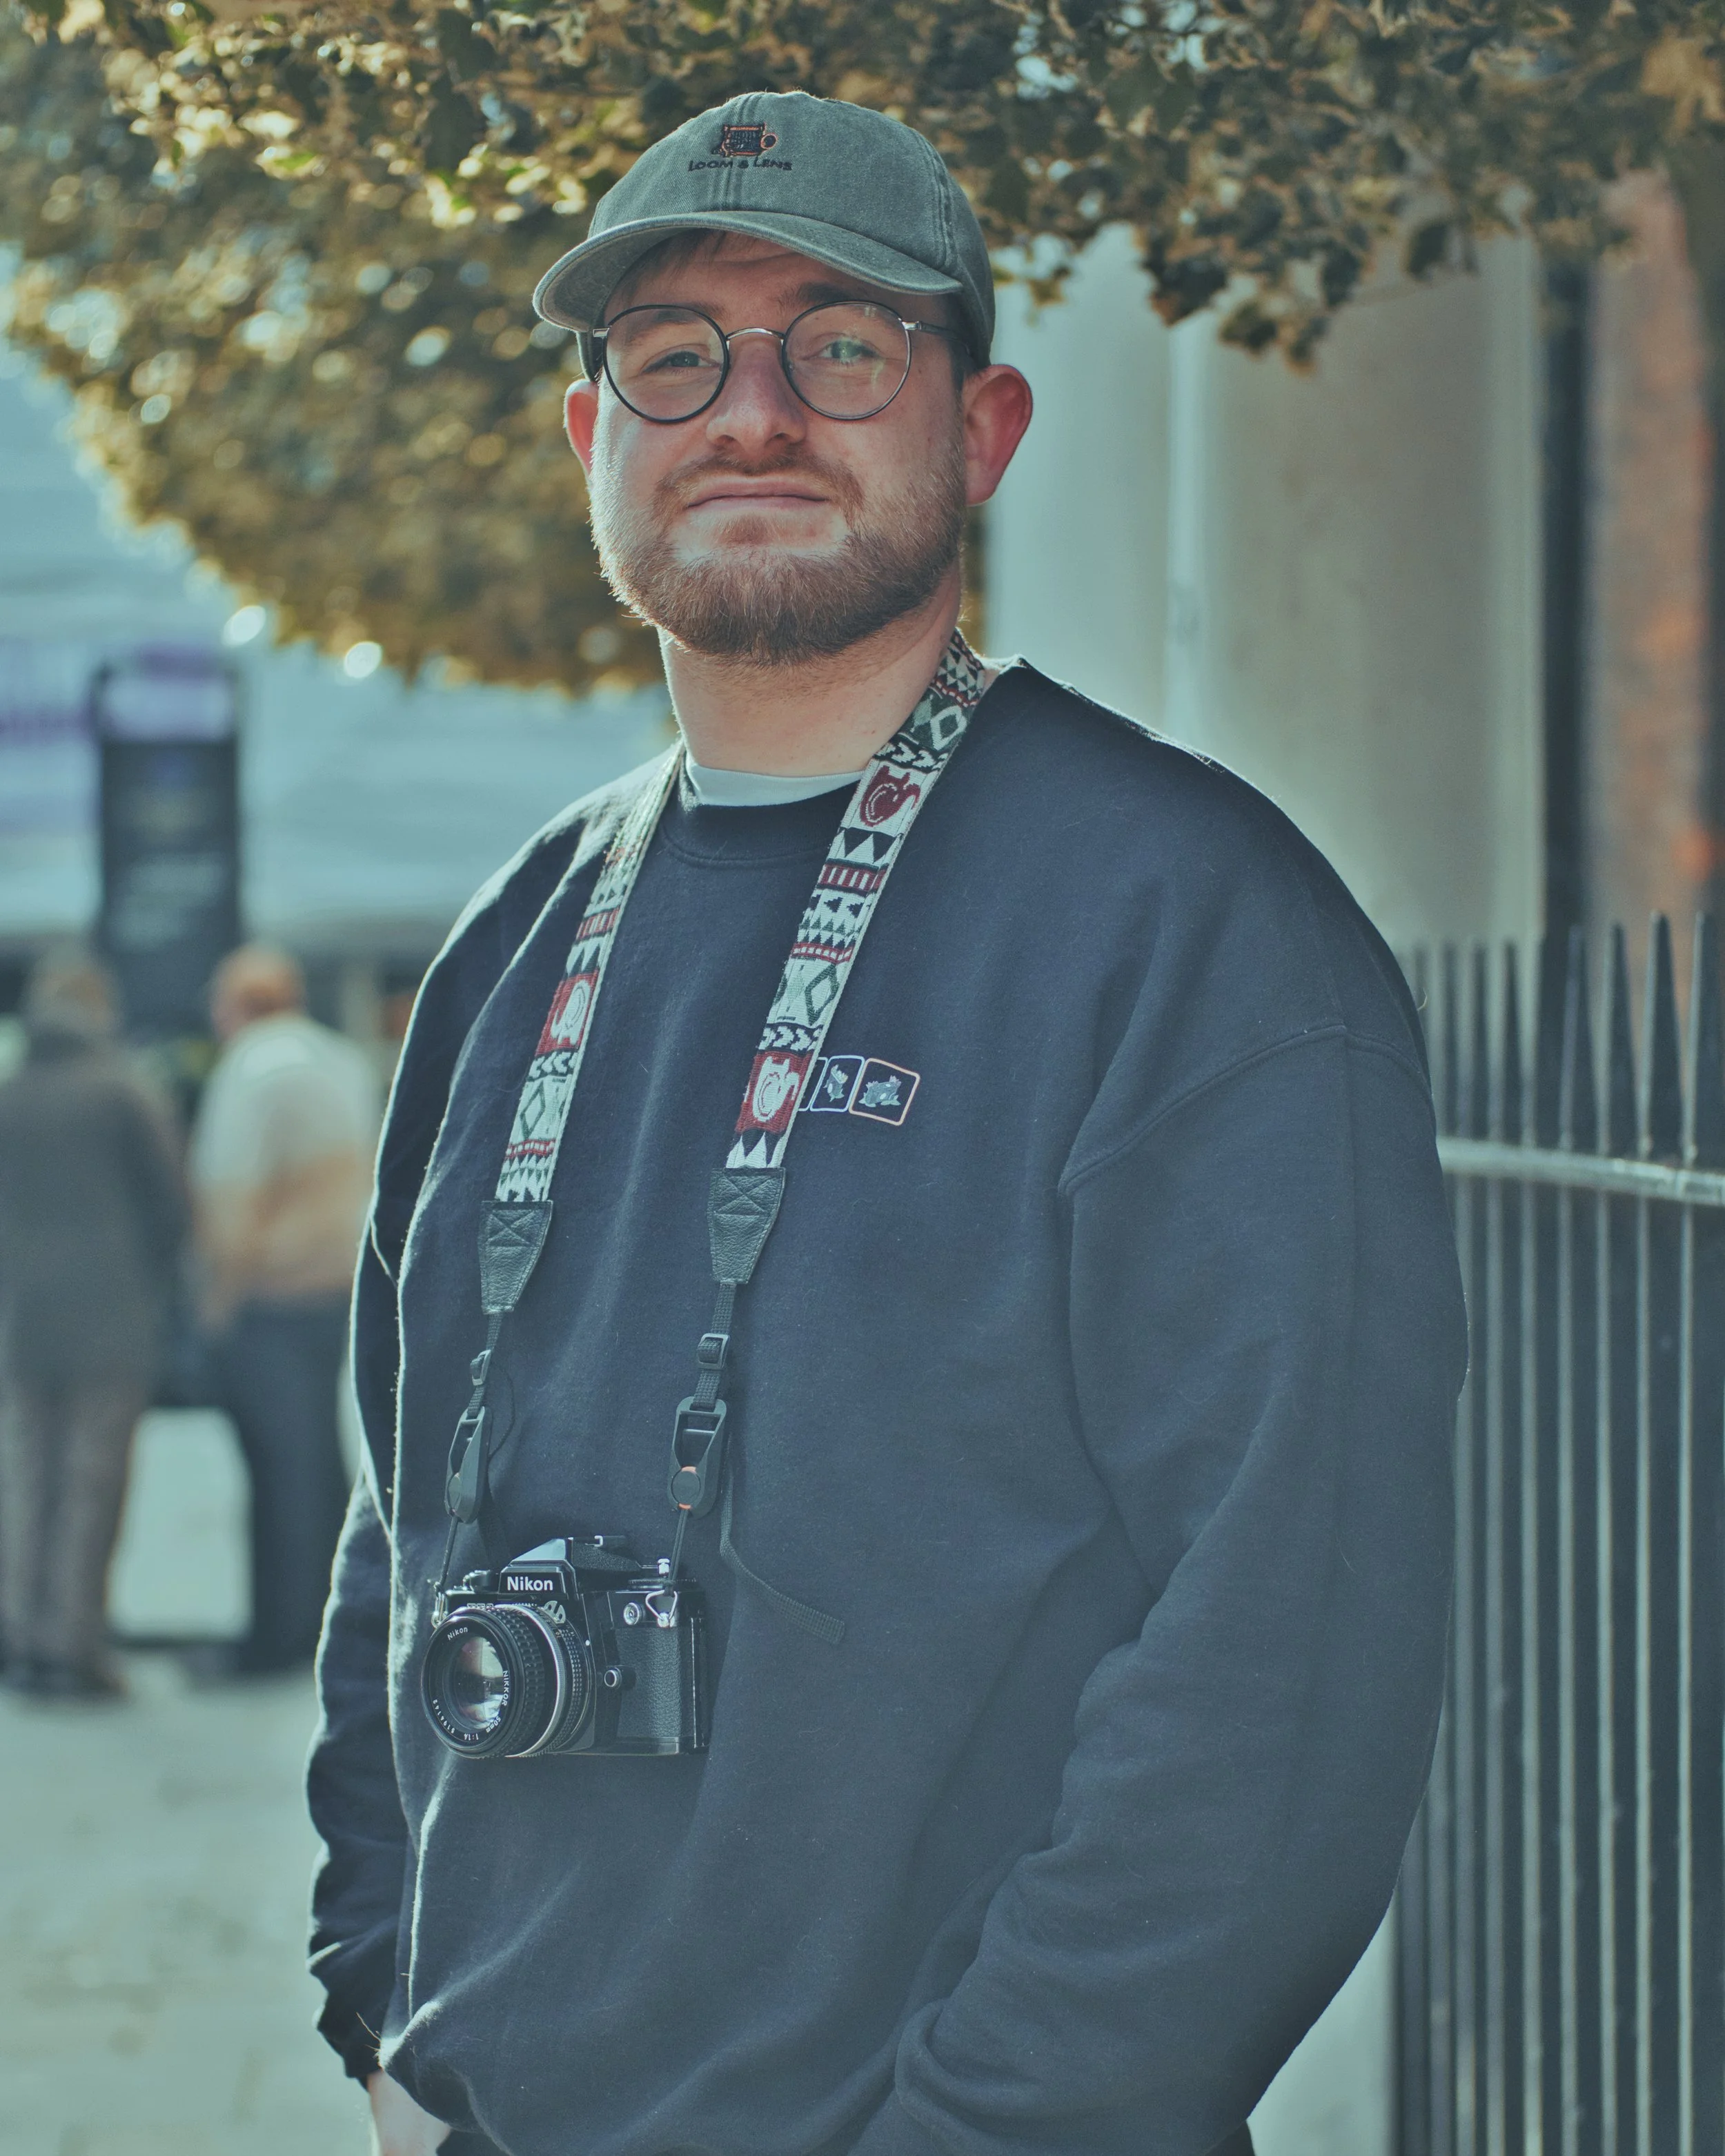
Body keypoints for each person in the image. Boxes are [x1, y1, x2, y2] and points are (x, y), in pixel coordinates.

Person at [309, 92, 1468, 2156]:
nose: (749, 411)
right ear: (595, 441)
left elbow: (1281, 1653)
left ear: (979, 429)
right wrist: (388, 2011)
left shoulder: (1182, 924)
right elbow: (392, 1528)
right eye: (673, 354)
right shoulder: (514, 941)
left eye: (839, 345)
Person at [0, 951, 187, 1698]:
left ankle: (20, 1634)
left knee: (22, 1479)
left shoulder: (10, 1093)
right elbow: (172, 1208)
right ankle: (71, 1644)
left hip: (18, 1321)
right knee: (90, 1482)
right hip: (109, 1318)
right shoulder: (123, 1091)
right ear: (96, 1007)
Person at [190, 944, 379, 1674]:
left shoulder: (249, 1069)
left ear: (235, 1005)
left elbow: (228, 1195)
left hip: (267, 1298)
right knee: (321, 1470)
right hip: (338, 1291)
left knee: (275, 1477)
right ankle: (332, 1626)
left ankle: (276, 1635)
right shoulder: (343, 1059)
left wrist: (214, 1302)